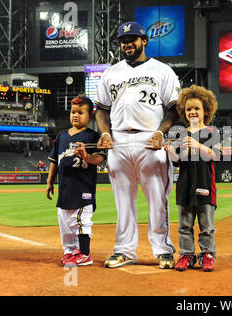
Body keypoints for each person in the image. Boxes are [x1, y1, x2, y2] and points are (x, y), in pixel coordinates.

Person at [94, 21, 181, 269]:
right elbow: (101, 109)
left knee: (157, 198)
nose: (127, 44)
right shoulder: (111, 73)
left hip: (149, 140)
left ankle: (163, 250)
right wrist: (105, 133)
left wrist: (161, 132)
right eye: (123, 40)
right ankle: (124, 250)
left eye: (132, 39)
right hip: (118, 140)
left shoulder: (162, 70)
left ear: (144, 41)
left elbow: (173, 108)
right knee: (123, 201)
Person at [46, 94, 106, 267]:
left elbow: (99, 159)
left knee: (82, 221)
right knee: (64, 221)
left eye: (80, 112)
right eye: (73, 112)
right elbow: (54, 161)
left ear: (89, 117)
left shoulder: (93, 137)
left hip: (84, 188)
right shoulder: (62, 136)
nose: (75, 115)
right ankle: (70, 251)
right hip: (65, 188)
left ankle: (85, 254)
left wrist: (87, 156)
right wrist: (50, 182)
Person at [165, 85, 219, 272]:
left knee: (207, 226)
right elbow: (179, 161)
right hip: (185, 185)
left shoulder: (212, 132)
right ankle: (186, 255)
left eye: (197, 108)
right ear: (183, 111)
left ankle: (207, 255)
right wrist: (171, 152)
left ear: (206, 110)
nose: (192, 112)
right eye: (188, 109)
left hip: (205, 184)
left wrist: (198, 145)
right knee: (184, 224)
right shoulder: (180, 133)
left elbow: (216, 155)